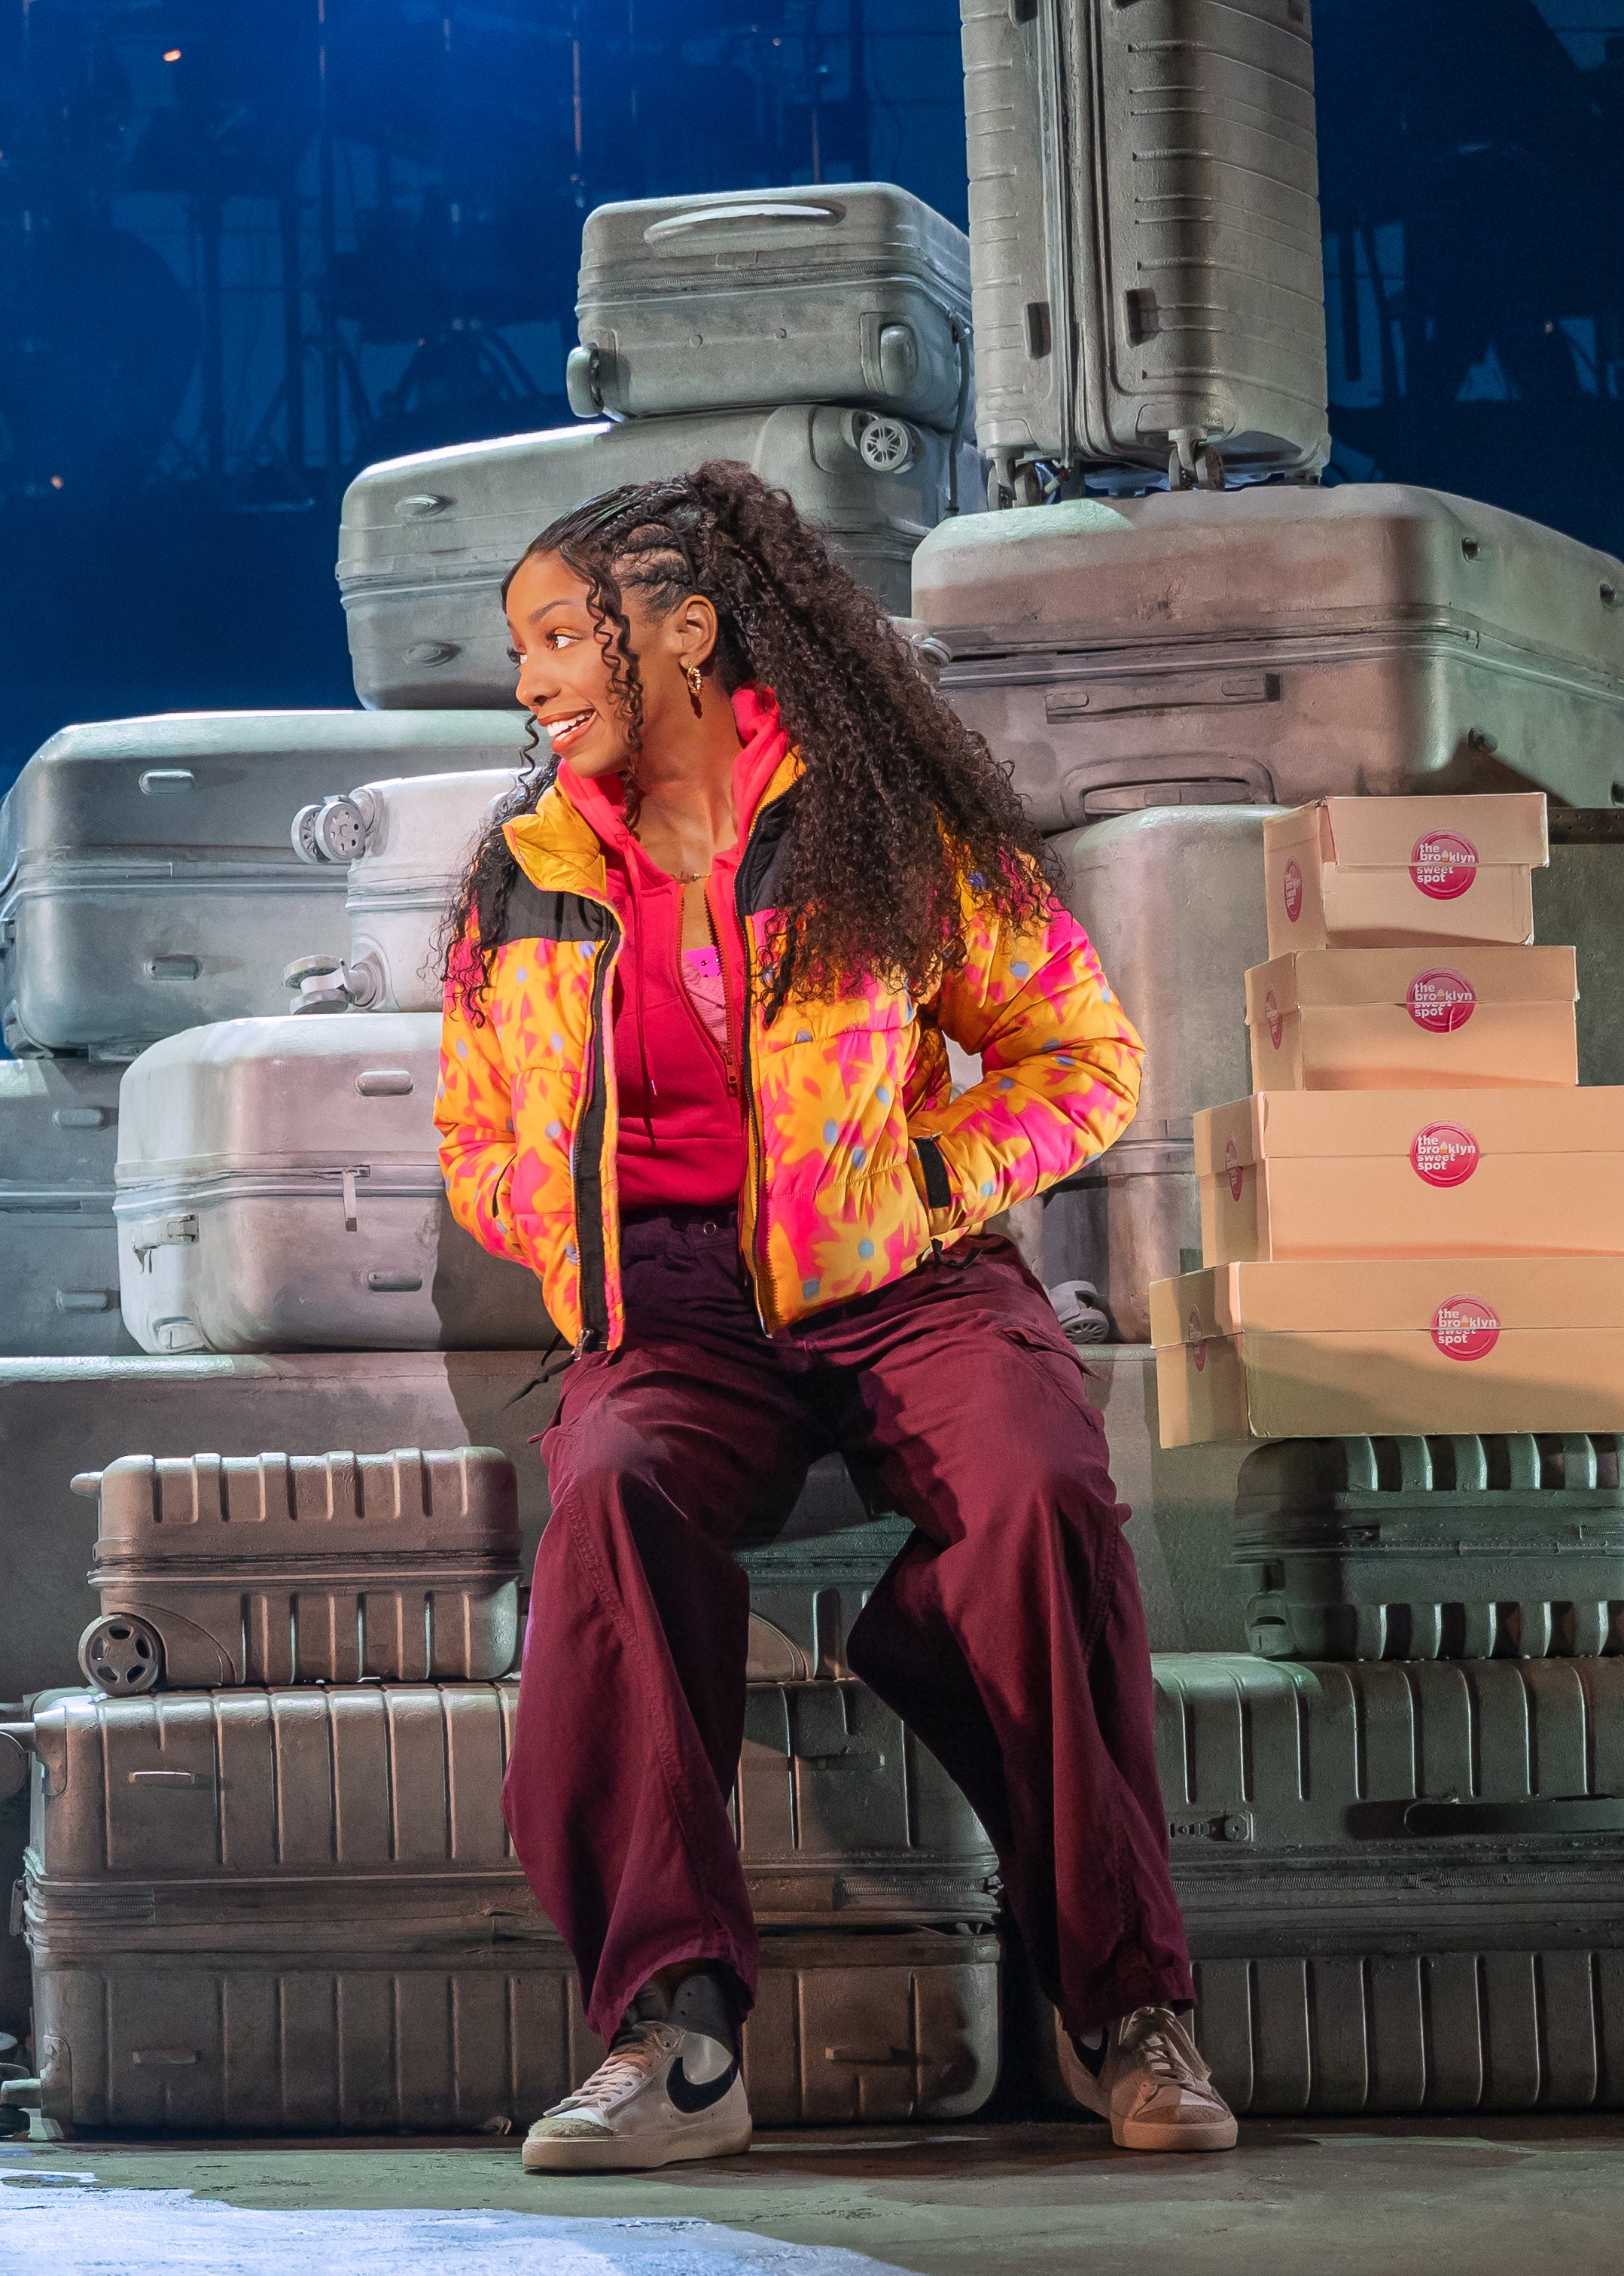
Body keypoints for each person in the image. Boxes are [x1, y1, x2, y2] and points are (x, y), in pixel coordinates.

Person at [425, 462, 1230, 2169]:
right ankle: (676, 2036)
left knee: (1036, 1491)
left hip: (905, 1265)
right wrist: (578, 1255)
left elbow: (1081, 1061)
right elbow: (477, 1129)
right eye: (523, 648)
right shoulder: (530, 877)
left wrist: (926, 1180)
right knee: (612, 1493)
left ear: (687, 634)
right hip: (676, 1295)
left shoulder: (880, 826)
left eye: (561, 634)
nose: (530, 679)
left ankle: (1121, 2004)